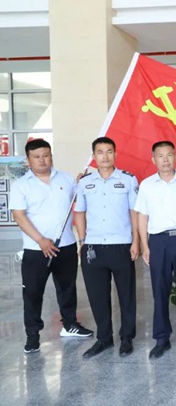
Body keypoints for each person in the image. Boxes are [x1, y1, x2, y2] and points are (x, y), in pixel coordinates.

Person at [10, 139, 93, 354]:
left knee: (67, 288)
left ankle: (70, 324)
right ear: (28, 160)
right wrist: (41, 240)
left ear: (51, 156)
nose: (42, 160)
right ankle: (33, 335)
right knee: (33, 293)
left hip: (65, 245)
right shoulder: (21, 185)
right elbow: (19, 216)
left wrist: (82, 182)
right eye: (37, 157)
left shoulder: (66, 179)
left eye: (46, 155)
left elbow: (80, 201)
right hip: (36, 249)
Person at [135, 141, 176, 359]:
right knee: (160, 290)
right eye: (160, 156)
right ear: (153, 159)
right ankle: (161, 338)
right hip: (158, 242)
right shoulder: (147, 185)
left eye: (169, 155)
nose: (165, 160)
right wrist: (145, 246)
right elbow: (142, 217)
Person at [73, 137, 139, 358]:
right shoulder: (84, 182)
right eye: (100, 152)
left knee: (126, 295)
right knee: (97, 295)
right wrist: (82, 241)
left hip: (121, 245)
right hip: (93, 246)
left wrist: (136, 241)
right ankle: (104, 338)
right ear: (94, 156)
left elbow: (134, 212)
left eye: (109, 151)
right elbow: (79, 212)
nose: (105, 156)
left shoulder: (128, 179)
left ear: (115, 153)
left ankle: (127, 338)